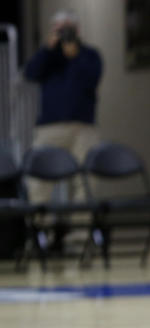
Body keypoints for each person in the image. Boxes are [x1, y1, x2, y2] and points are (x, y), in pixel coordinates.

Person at [23, 9, 102, 205]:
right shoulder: (48, 56)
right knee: (38, 178)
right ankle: (40, 230)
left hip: (83, 127)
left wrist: (74, 56)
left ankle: (80, 233)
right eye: (59, 29)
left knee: (86, 180)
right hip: (50, 127)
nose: (63, 33)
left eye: (67, 28)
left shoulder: (90, 55)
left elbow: (91, 79)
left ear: (77, 30)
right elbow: (31, 73)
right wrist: (47, 50)